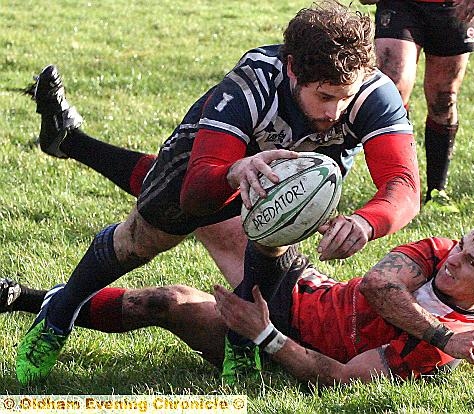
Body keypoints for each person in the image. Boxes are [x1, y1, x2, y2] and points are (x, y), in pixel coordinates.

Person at [17, 1, 421, 385]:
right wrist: (235, 171)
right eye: (325, 97)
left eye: (344, 97)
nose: (334, 113)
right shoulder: (252, 84)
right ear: (294, 70)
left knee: (275, 231)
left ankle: (243, 342)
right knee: (143, 239)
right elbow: (197, 195)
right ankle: (61, 309)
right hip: (212, 160)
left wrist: (366, 223)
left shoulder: (374, 95)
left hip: (281, 170)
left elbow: (403, 185)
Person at [3, 219, 474, 385]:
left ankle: (20, 299)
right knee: (208, 202)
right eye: (460, 247)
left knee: (166, 301)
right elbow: (376, 286)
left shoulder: (436, 357)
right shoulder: (439, 264)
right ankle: (73, 142)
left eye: (470, 264)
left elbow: (337, 378)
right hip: (301, 284)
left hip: (285, 343)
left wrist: (264, 334)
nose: (452, 259)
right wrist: (439, 329)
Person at [360, 0, 474, 211]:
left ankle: (436, 191)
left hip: (452, 6)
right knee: (393, 88)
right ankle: (397, 187)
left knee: (443, 99)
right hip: (402, 5)